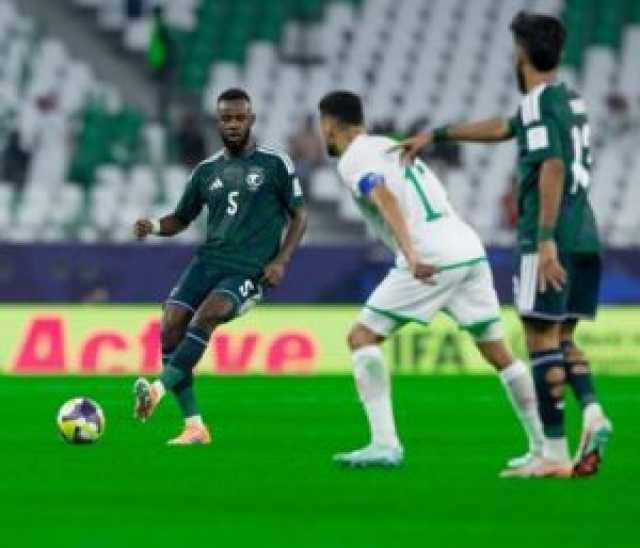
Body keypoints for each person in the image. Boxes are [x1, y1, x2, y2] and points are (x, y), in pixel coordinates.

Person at [395, 11, 612, 477]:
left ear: (521, 53)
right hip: (585, 233)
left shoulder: (537, 103)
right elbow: (505, 127)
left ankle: (553, 453)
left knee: (539, 339)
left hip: (549, 235)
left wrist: (546, 240)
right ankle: (592, 411)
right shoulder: (569, 101)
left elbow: (552, 165)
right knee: (563, 336)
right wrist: (437, 135)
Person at [317, 90, 545, 473]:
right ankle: (544, 447)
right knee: (500, 354)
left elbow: (384, 197)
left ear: (329, 124)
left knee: (361, 337)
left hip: (430, 253)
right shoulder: (386, 145)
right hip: (467, 246)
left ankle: (384, 444)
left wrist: (410, 253)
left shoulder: (354, 157)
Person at [132, 88, 308, 444]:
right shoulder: (206, 171)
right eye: (226, 118)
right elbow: (181, 219)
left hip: (249, 269)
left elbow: (300, 215)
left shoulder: (275, 164)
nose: (233, 124)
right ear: (218, 122)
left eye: (240, 118)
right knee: (170, 325)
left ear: (251, 120)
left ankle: (157, 390)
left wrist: (281, 260)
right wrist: (152, 225)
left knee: (207, 316)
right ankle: (194, 427)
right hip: (208, 262)